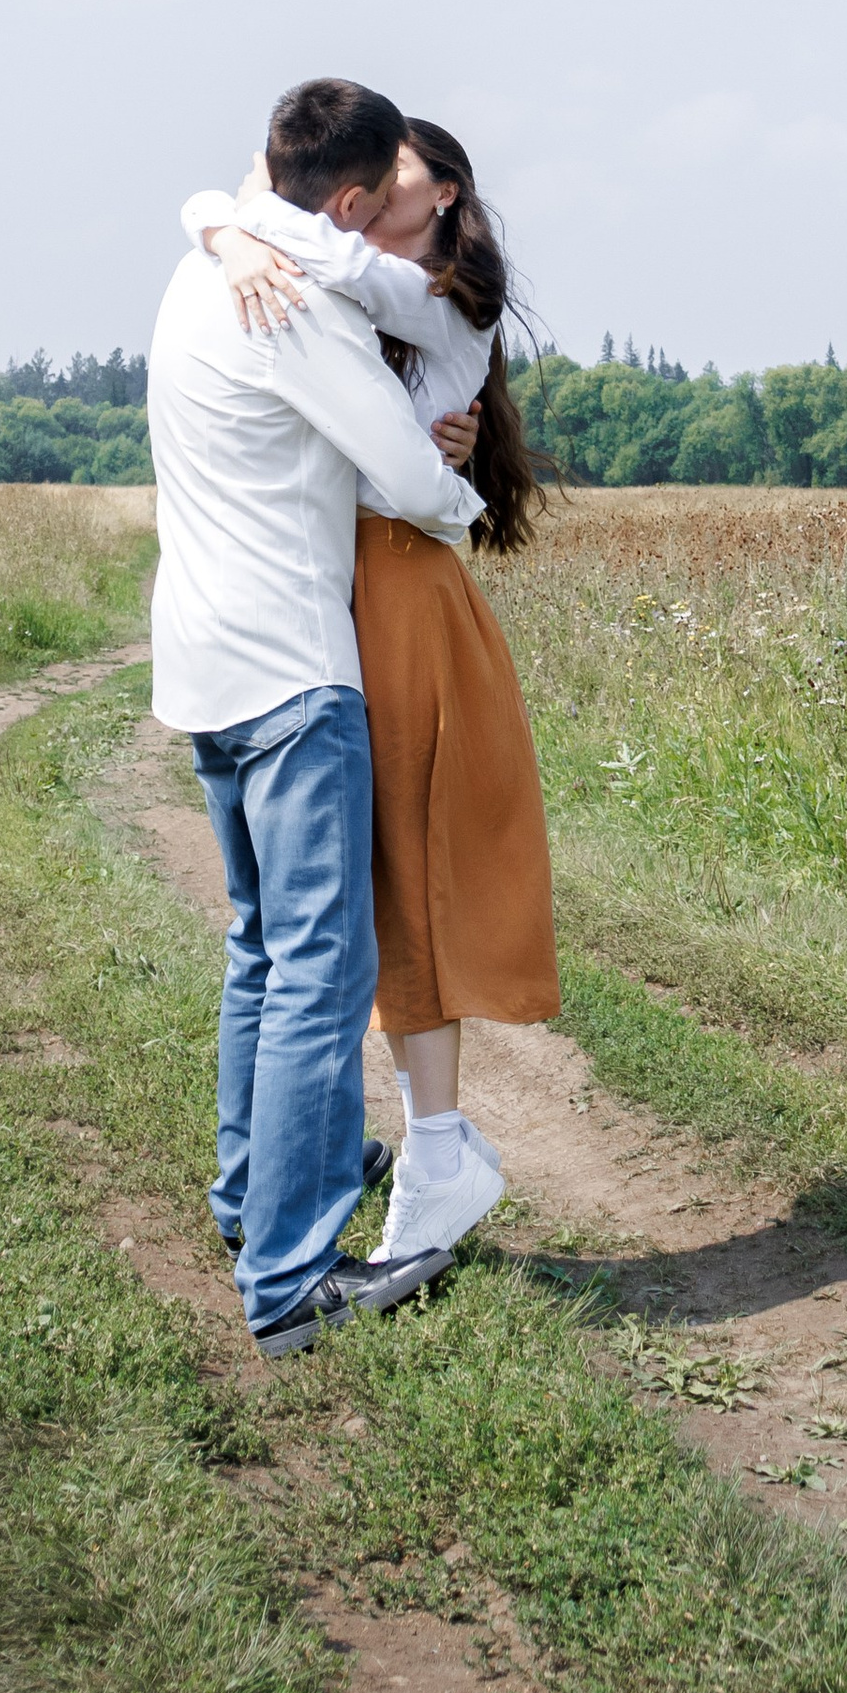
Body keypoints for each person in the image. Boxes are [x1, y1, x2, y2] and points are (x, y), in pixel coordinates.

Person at [147, 75, 493, 1359]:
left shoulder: (201, 275)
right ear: (347, 205)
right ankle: (291, 1280)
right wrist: (459, 494)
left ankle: (251, 1201)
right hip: (293, 671)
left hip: (202, 664)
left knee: (261, 948)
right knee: (320, 973)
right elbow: (404, 477)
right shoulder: (296, 302)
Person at [182, 115, 558, 1270]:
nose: (370, 187)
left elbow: (291, 223)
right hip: (356, 589)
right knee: (370, 891)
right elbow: (269, 214)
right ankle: (395, 1151)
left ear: (441, 192)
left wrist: (233, 230)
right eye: (369, 169)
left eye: (396, 165)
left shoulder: (433, 294)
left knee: (402, 884)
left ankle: (434, 1150)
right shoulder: (361, 290)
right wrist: (222, 229)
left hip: (394, 592)